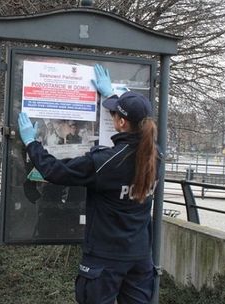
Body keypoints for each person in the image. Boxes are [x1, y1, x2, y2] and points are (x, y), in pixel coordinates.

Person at [17, 63, 159, 304]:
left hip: (105, 258)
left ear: (122, 122)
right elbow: (135, 129)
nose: (113, 115)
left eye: (115, 112)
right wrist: (111, 97)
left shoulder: (104, 163)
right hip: (139, 256)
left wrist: (32, 143)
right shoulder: (155, 156)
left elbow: (54, 170)